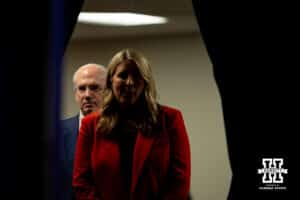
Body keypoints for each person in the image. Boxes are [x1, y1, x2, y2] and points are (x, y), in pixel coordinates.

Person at [73, 49, 191, 200]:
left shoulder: (169, 119)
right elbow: (81, 181)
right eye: (122, 76)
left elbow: (179, 180)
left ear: (145, 82)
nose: (130, 82)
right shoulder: (90, 125)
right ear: (111, 80)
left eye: (137, 76)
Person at [60, 63, 107, 200]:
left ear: (109, 92)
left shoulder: (125, 130)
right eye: (82, 88)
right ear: (75, 94)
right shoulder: (57, 133)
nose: (87, 95)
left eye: (94, 88)